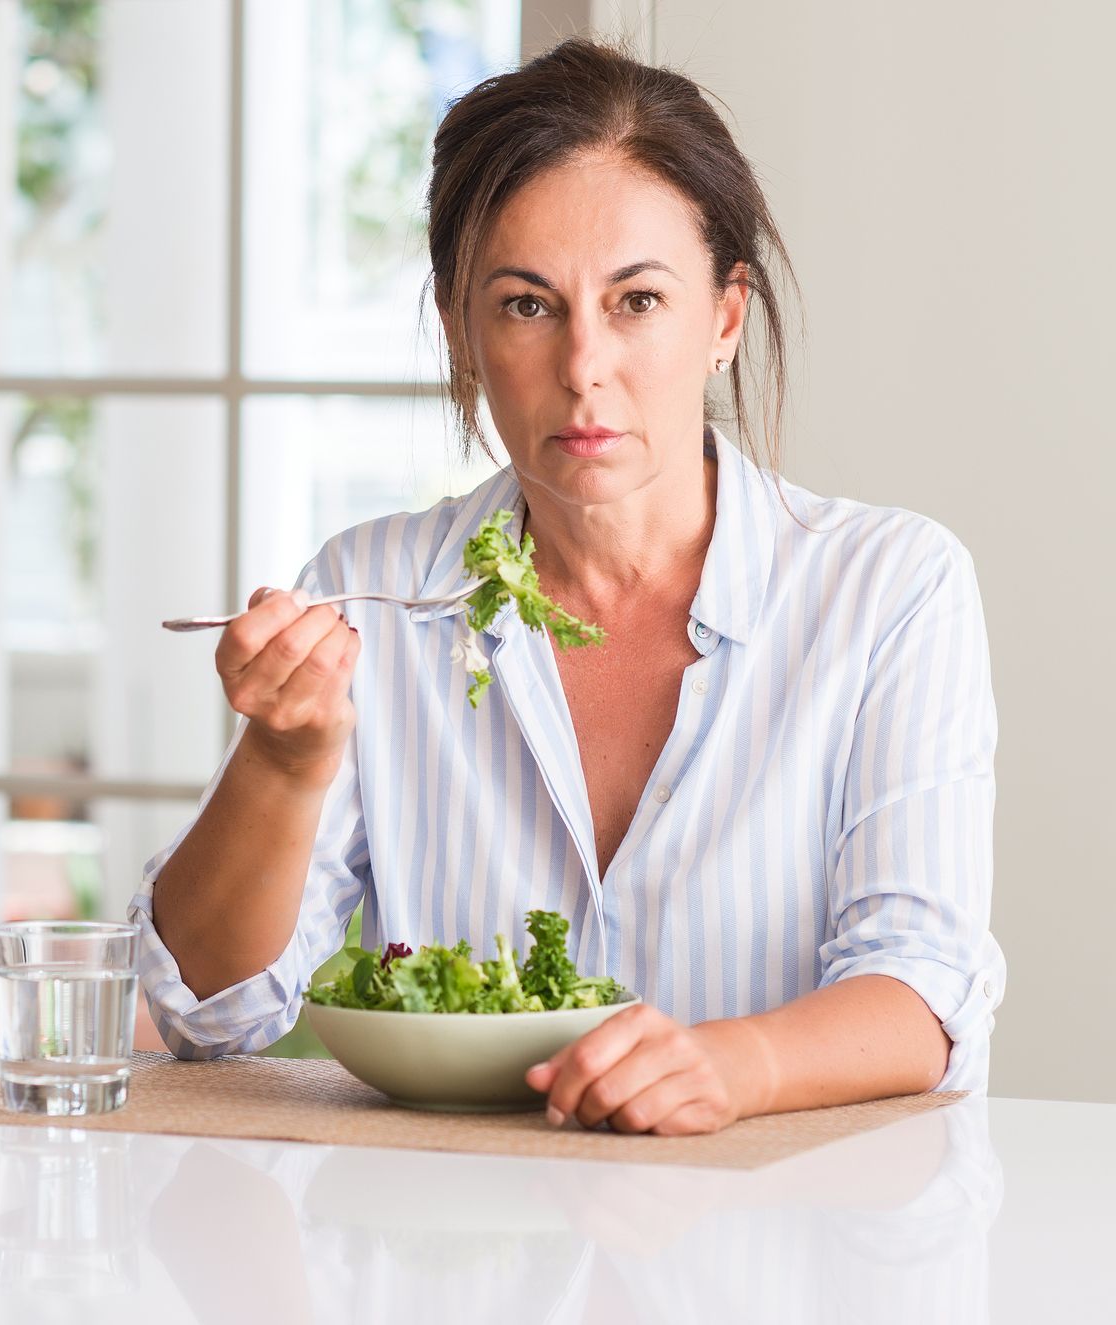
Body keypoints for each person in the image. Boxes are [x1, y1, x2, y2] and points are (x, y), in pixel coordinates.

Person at [127, 36, 1005, 1134]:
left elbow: (923, 986)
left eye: (636, 301)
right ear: (461, 329)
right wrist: (284, 756)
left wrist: (732, 1065)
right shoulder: (369, 586)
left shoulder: (889, 588)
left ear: (723, 317)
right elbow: (209, 1014)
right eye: (527, 305)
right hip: (457, 1257)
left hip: (786, 1250)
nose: (584, 365)